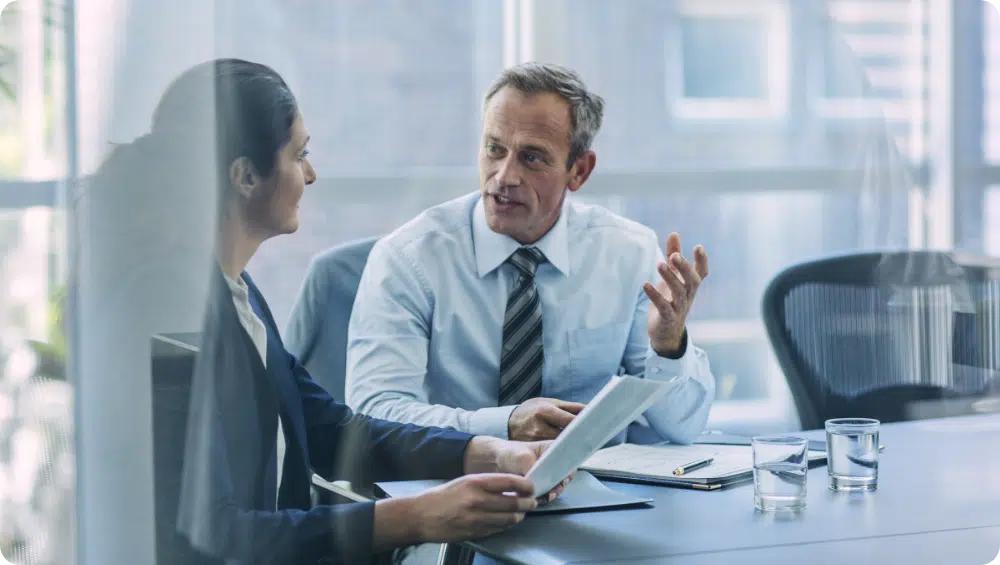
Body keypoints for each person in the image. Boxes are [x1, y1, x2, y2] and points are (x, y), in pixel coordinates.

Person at [95, 58, 568, 565]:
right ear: (246, 176)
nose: (312, 174)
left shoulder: (236, 292)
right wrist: (415, 517)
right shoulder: (168, 304)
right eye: (300, 156)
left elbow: (336, 431)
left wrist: (487, 452)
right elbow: (214, 535)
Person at [335, 62, 715, 446]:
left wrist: (668, 346)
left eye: (531, 158)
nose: (504, 176)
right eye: (494, 149)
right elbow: (374, 415)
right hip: (450, 489)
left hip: (595, 493)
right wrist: (504, 426)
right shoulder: (409, 259)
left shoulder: (626, 254)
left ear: (579, 171)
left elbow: (683, 427)